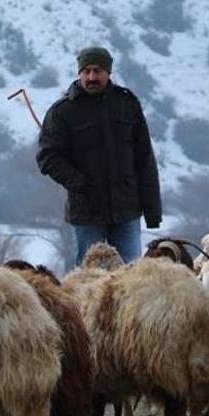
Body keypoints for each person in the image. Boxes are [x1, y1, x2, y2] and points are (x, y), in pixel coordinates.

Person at [37, 46, 162, 265]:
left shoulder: (127, 105)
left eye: (97, 71)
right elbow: (47, 157)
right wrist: (79, 183)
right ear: (79, 73)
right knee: (88, 279)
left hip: (127, 211)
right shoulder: (62, 112)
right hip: (86, 213)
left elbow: (144, 159)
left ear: (108, 72)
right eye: (86, 71)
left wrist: (152, 212)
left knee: (131, 277)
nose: (92, 77)